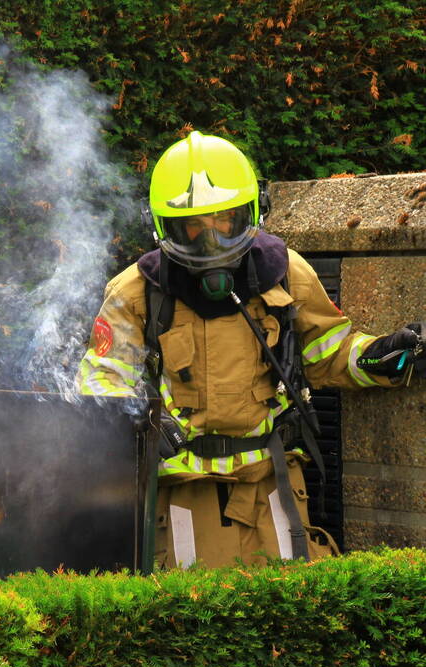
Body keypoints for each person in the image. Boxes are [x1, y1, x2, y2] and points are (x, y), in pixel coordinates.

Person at [79, 130, 424, 569]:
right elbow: (102, 383)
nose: (212, 241)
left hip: (273, 487)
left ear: (250, 213)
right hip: (182, 492)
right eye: (193, 227)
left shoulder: (284, 272)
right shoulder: (136, 292)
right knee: (191, 618)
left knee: (292, 614)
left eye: (225, 220)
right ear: (165, 226)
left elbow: (328, 352)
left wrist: (383, 356)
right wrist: (138, 426)